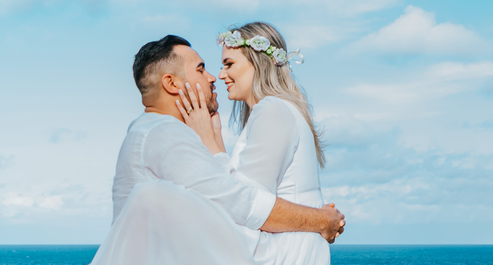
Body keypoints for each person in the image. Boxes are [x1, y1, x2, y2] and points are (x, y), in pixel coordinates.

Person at [90, 35, 345, 265]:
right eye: (201, 69)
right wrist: (322, 220)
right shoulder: (165, 133)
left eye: (226, 65)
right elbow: (240, 203)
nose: (214, 76)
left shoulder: (152, 130)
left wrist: (213, 141)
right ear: (172, 83)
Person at [178, 22, 331, 265]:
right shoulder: (279, 111)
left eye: (229, 64)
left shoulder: (272, 110)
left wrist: (209, 143)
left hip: (285, 254)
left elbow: (248, 206)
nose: (221, 75)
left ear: (258, 63)